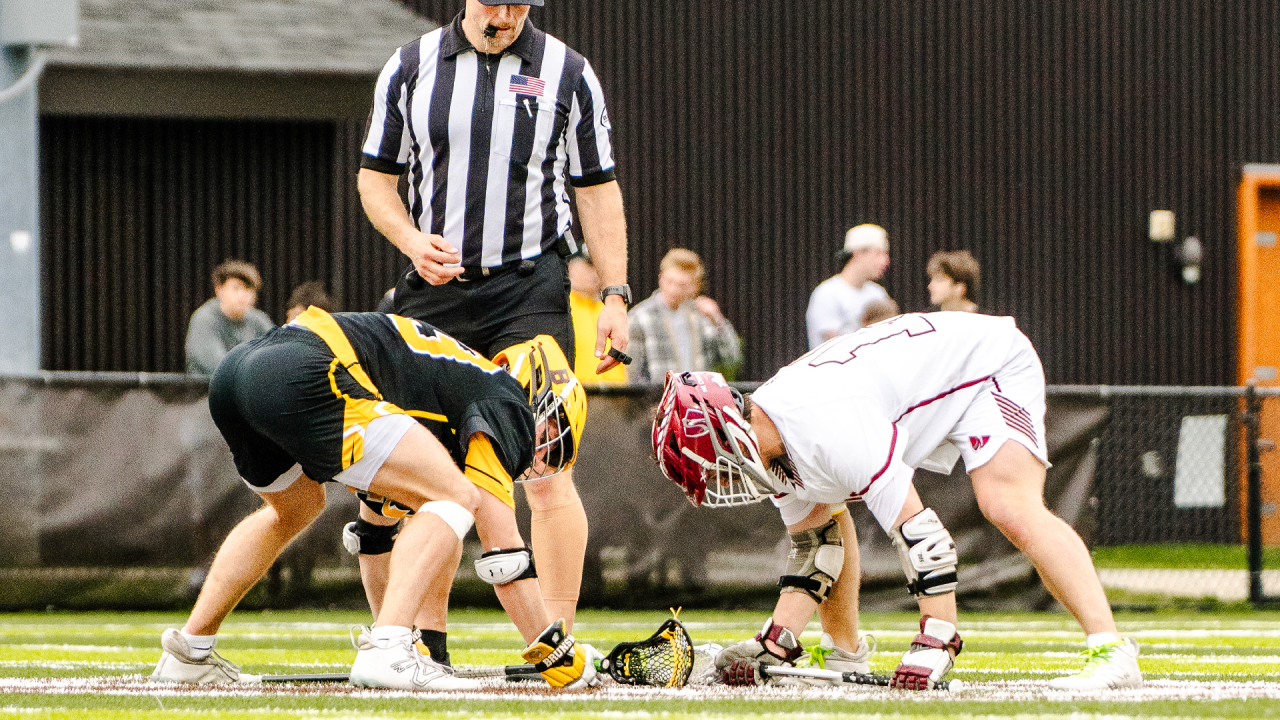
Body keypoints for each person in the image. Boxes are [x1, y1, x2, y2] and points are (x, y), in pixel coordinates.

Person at [652, 313, 1143, 691]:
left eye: (712, 460)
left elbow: (921, 535)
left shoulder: (827, 426)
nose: (718, 473)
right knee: (824, 522)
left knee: (1008, 505)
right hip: (925, 375)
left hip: (990, 365)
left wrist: (937, 638)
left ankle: (1110, 650)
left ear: (729, 429)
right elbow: (816, 550)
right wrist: (777, 640)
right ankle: (843, 650)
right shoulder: (772, 437)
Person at [358, 0, 631, 631]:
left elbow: (597, 188)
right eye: (492, 1)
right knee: (430, 469)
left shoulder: (567, 71)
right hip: (436, 288)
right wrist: (409, 239)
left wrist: (615, 294)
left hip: (528, 286)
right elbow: (375, 180)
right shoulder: (410, 65)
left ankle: (557, 642)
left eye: (517, 3)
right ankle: (427, 641)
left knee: (546, 459)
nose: (503, 15)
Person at [152, 308, 596, 691]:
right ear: (536, 395)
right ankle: (388, 645)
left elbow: (373, 534)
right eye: (550, 429)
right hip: (308, 366)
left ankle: (189, 652)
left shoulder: (449, 388)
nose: (543, 448)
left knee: (295, 509)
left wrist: (396, 627)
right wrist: (557, 656)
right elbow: (504, 555)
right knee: (457, 495)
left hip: (240, 373)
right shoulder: (504, 397)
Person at [628, 249, 742, 385]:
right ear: (660, 278)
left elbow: (731, 359)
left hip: (696, 400)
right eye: (669, 281)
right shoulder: (640, 317)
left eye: (682, 285)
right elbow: (631, 375)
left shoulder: (700, 317)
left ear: (694, 286)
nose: (673, 289)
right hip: (658, 402)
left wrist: (717, 320)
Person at [805, 224, 891, 349]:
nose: (885, 261)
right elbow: (835, 347)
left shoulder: (878, 294)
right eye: (878, 253)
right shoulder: (827, 294)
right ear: (858, 254)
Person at [185, 260, 274, 375]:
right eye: (236, 288)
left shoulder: (259, 319)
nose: (242, 295)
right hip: (207, 390)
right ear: (219, 290)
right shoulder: (205, 319)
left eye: (248, 288)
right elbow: (219, 367)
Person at [568, 252, 626, 384]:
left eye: (599, 266)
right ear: (571, 267)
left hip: (616, 394)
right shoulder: (562, 308)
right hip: (579, 394)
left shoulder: (607, 310)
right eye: (589, 266)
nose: (595, 272)